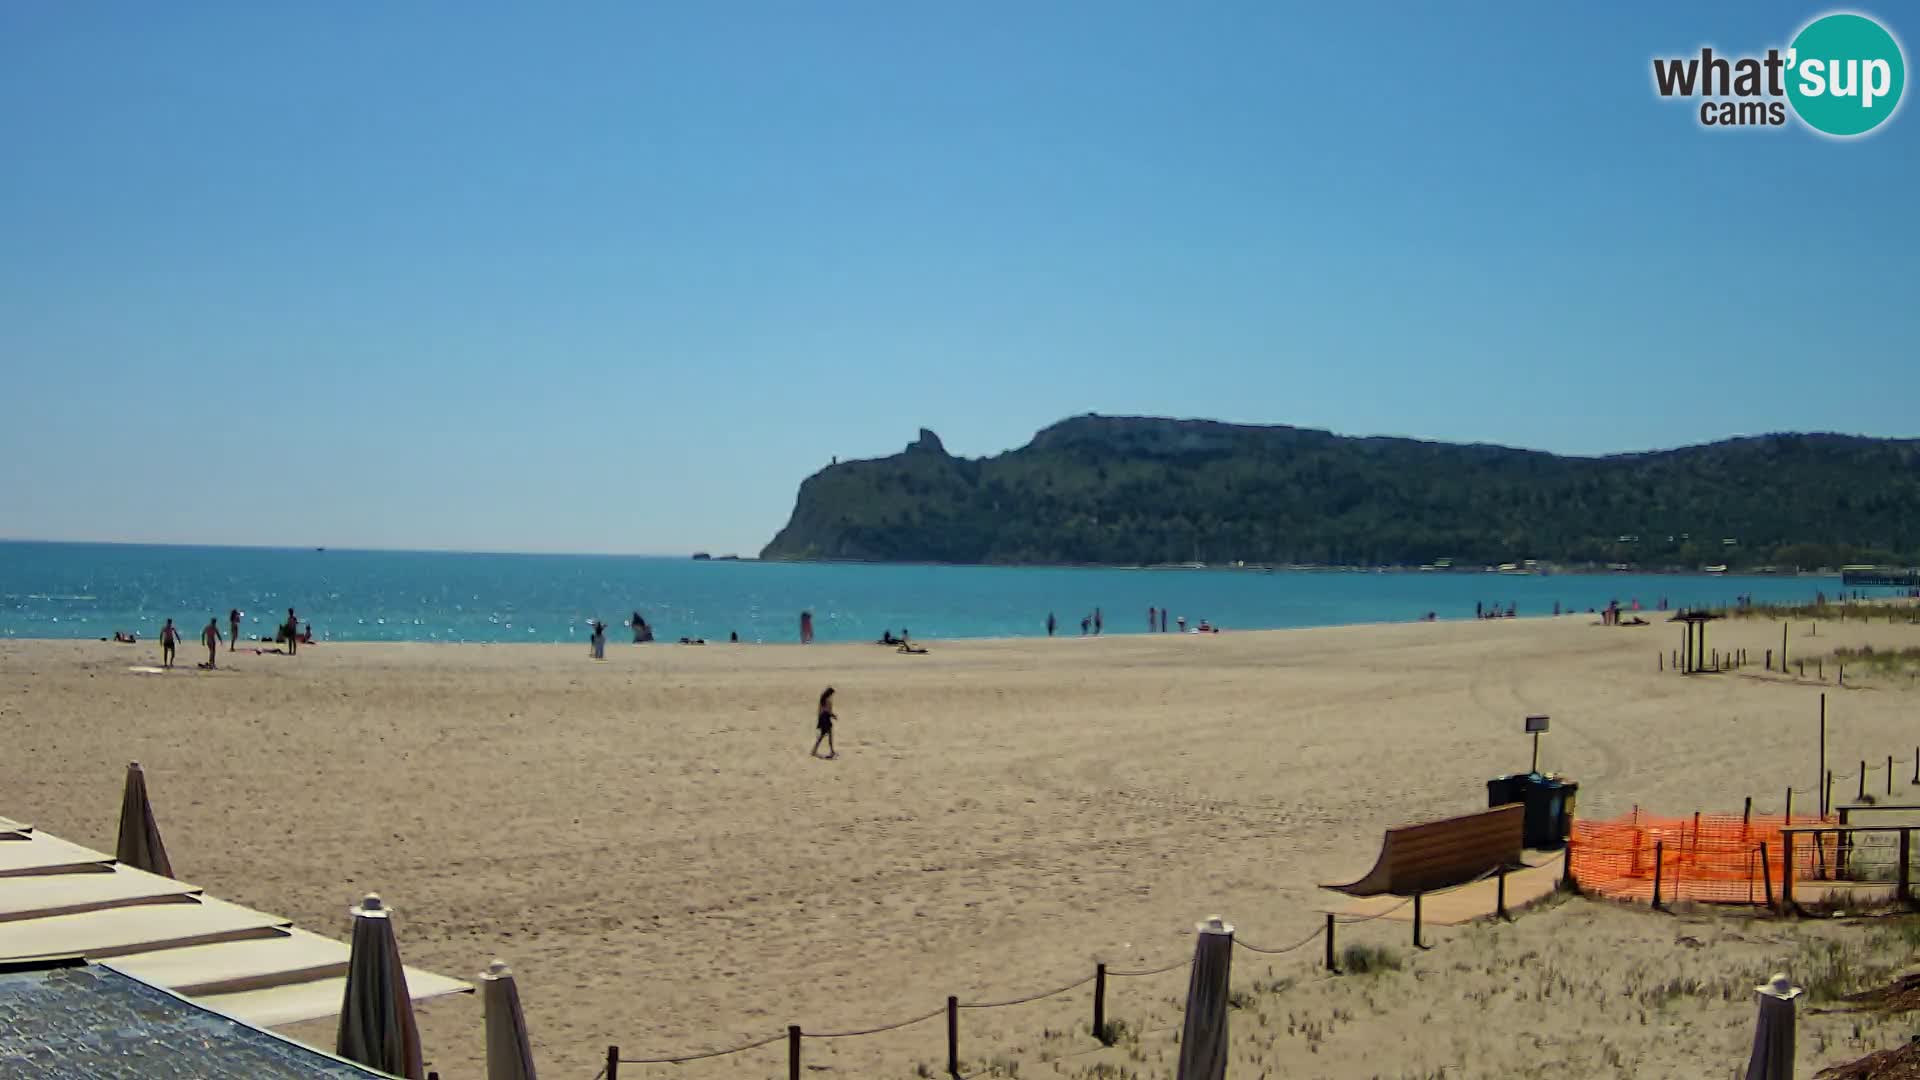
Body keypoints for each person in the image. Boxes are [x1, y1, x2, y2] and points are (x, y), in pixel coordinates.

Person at [811, 687, 837, 758]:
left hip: (822, 718)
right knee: (828, 735)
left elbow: (820, 711)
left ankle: (814, 750)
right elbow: (829, 711)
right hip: (826, 719)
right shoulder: (828, 700)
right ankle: (831, 751)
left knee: (822, 735)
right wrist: (834, 716)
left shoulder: (822, 699)